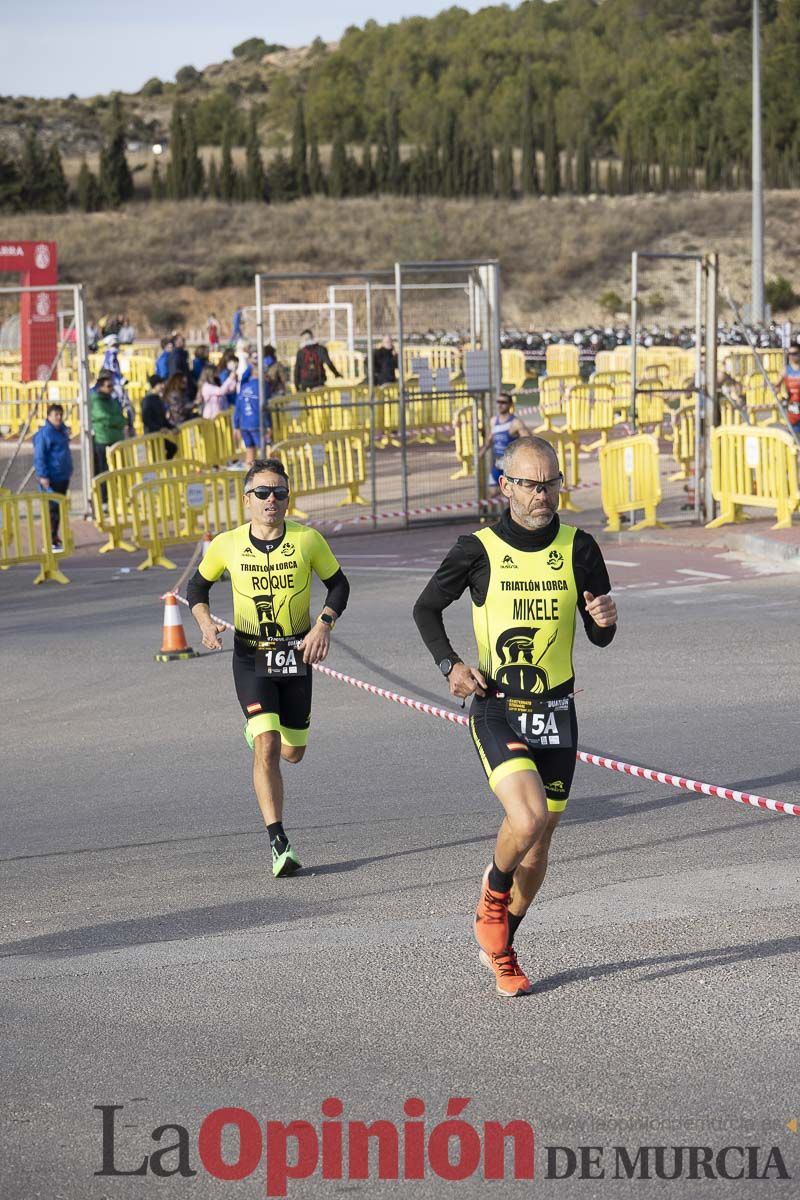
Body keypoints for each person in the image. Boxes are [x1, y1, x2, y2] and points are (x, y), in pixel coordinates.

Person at [413, 435, 618, 998]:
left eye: (551, 482)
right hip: (498, 706)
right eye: (530, 484)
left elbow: (601, 635)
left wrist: (603, 619)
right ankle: (491, 901)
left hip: (557, 710)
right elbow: (426, 608)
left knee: (541, 844)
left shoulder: (580, 548)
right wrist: (450, 665)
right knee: (524, 821)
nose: (542, 494)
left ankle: (500, 944)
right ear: (506, 487)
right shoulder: (476, 547)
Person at [186, 458, 351, 876]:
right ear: (246, 500)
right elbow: (197, 586)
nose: (271, 501)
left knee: (292, 753)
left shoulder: (308, 540)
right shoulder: (226, 544)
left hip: (296, 656)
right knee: (267, 745)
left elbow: (339, 584)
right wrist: (205, 623)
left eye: (279, 493)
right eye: (262, 493)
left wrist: (323, 626)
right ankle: (279, 842)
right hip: (250, 656)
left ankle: (261, 729)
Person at [33, 403, 73, 551]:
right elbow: (39, 456)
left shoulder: (62, 431)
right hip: (51, 477)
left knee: (59, 509)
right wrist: (43, 475)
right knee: (52, 510)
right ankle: (50, 539)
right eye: (55, 415)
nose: (58, 417)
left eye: (60, 414)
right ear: (49, 416)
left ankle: (55, 537)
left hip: (62, 475)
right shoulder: (44, 434)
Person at [481, 393, 531, 497]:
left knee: (510, 496)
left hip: (510, 465)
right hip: (497, 464)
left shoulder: (516, 423)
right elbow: (491, 438)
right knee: (492, 493)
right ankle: (496, 513)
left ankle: (509, 512)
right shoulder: (493, 421)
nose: (500, 405)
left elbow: (528, 441)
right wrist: (482, 451)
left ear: (510, 404)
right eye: (498, 402)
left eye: (503, 402)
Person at [90, 371, 127, 499]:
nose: (111, 388)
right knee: (104, 471)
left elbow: (122, 418)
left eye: (112, 385)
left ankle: (117, 496)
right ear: (101, 386)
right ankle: (104, 499)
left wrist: (118, 421)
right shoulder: (95, 400)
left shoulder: (113, 400)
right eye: (109, 386)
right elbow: (105, 418)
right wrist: (117, 421)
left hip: (116, 439)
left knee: (118, 470)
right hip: (103, 440)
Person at [234, 352, 271, 464]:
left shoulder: (244, 387)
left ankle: (249, 477)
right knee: (265, 452)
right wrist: (268, 425)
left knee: (250, 453)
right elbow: (264, 407)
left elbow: (238, 408)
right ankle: (267, 477)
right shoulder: (262, 386)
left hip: (244, 424)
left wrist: (236, 425)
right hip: (257, 423)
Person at [141, 374, 178, 458]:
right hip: (152, 435)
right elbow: (146, 419)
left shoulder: (158, 399)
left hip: (159, 434)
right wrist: (158, 428)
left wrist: (172, 427)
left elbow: (163, 419)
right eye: (160, 384)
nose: (163, 386)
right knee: (156, 457)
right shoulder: (148, 400)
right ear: (154, 386)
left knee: (172, 448)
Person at [780, 342, 800, 438]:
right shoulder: (785, 370)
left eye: (795, 353)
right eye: (790, 354)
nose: (792, 356)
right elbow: (777, 385)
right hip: (793, 409)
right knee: (793, 437)